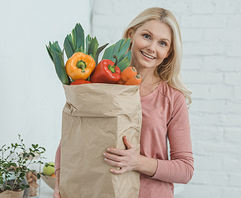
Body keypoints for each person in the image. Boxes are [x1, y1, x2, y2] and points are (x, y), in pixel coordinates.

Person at [53, 7, 194, 198]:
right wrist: (60, 185)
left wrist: (137, 162)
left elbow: (185, 169)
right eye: (146, 36)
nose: (152, 47)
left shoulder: (172, 98)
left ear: (168, 52)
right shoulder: (102, 83)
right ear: (131, 35)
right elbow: (71, 142)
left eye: (162, 43)